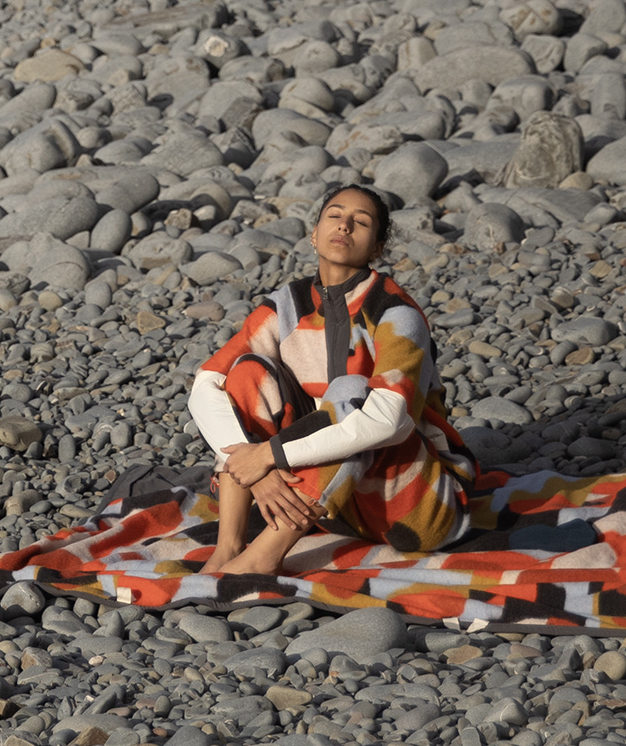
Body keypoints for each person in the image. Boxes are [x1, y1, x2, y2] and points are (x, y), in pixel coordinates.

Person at [186, 182, 481, 574]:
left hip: (416, 507)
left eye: (361, 222)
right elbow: (207, 382)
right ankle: (229, 547)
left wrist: (270, 455)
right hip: (328, 504)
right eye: (335, 215)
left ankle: (262, 559)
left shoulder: (396, 312)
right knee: (247, 371)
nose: (344, 226)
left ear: (377, 248)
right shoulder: (287, 305)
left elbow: (389, 420)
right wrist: (252, 468)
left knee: (352, 391)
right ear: (315, 233)